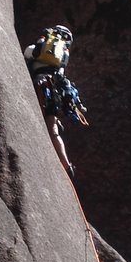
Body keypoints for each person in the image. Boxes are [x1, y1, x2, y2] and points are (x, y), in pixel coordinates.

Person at [23, 25, 87, 178]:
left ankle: (65, 162)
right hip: (52, 89)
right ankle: (66, 164)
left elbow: (27, 53)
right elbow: (60, 76)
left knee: (47, 124)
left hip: (39, 83)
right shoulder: (63, 55)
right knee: (52, 129)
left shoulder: (41, 45)